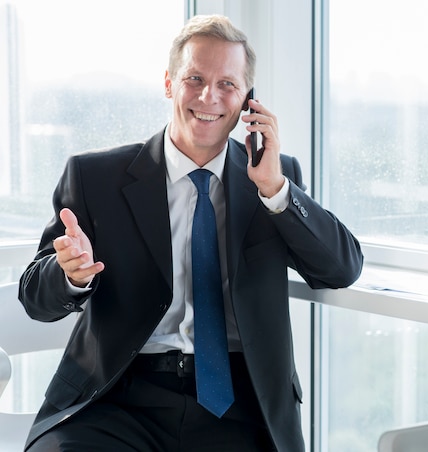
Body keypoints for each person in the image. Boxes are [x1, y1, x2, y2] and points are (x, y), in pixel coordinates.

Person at [18, 14, 363, 452]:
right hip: (116, 399)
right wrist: (70, 274)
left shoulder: (274, 179)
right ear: (169, 83)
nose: (209, 97)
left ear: (246, 102)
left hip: (240, 405)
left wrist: (275, 190)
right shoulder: (94, 177)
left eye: (227, 85)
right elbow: (35, 298)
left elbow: (341, 269)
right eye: (194, 78)